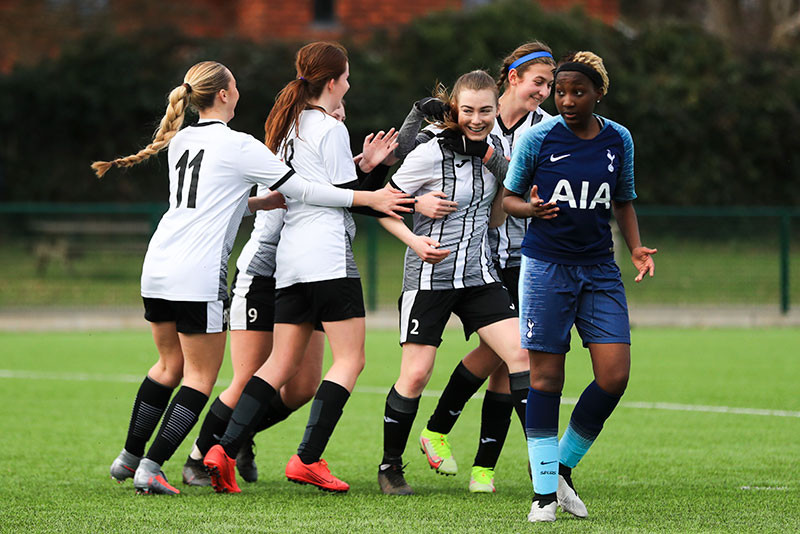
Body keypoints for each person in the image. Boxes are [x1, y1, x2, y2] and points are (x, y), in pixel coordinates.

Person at [95, 60, 410, 495]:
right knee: (200, 379)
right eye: (236, 85)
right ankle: (153, 466)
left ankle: (128, 457)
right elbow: (304, 190)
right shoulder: (240, 145)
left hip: (157, 265)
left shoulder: (182, 139)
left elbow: (214, 202)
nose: (239, 91)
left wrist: (260, 205)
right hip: (197, 272)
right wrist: (369, 193)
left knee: (168, 365)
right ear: (224, 94)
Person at [203, 41, 400, 495]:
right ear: (331, 82)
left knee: (279, 363)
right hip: (327, 253)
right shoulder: (328, 129)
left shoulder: (287, 126)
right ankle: (308, 458)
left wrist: (364, 171)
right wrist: (375, 182)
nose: (348, 85)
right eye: (346, 78)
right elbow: (344, 195)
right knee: (351, 359)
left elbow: (323, 184)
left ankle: (224, 449)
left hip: (289, 259)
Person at [502, 51, 656, 522]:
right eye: (560, 91)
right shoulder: (538, 138)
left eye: (577, 92)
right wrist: (531, 210)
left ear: (598, 94)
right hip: (547, 269)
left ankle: (560, 468)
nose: (565, 100)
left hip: (600, 270)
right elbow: (508, 199)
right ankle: (543, 496)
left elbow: (624, 200)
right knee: (547, 378)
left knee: (614, 376)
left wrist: (635, 248)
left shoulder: (618, 139)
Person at [376, 70, 531, 496]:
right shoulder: (428, 153)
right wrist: (414, 235)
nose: (477, 119)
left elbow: (499, 215)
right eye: (468, 110)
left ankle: (543, 462)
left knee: (520, 355)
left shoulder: (494, 152)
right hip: (429, 277)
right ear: (454, 110)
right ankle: (390, 467)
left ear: (496, 108)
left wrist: (500, 188)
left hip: (479, 275)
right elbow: (384, 206)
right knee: (417, 374)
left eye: (485, 110)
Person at [414, 41, 556, 495]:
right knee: (512, 355)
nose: (545, 92)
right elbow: (416, 155)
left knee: (507, 358)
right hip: (482, 258)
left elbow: (529, 183)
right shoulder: (477, 117)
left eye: (549, 85)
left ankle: (479, 465)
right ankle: (452, 440)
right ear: (512, 78)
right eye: (538, 82)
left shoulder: (548, 128)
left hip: (530, 255)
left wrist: (496, 162)